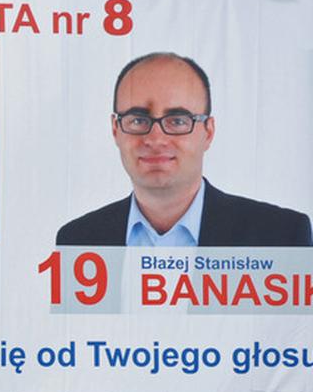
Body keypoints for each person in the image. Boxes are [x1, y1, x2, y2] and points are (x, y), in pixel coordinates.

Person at [57, 52, 312, 247]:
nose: (155, 138)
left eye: (177, 121)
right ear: (115, 130)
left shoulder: (282, 236)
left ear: (208, 132)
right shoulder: (78, 240)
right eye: (138, 120)